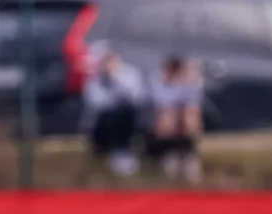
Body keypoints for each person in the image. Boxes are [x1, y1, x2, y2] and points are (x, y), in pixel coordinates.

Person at [83, 46, 147, 176]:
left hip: (128, 118)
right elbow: (95, 103)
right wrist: (108, 83)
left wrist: (115, 80)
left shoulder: (131, 74)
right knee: (111, 115)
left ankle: (125, 152)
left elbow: (136, 97)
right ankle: (113, 152)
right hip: (104, 121)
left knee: (125, 113)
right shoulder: (94, 80)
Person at [146, 53, 203, 182]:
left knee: (188, 113)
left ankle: (185, 154)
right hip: (162, 128)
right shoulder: (158, 85)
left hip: (182, 129)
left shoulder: (189, 86)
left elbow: (193, 106)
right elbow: (160, 107)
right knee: (168, 113)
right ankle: (172, 153)